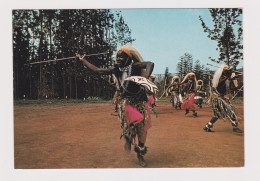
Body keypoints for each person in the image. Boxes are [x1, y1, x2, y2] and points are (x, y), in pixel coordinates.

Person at [77, 45, 156, 167]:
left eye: (121, 57)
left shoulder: (135, 67)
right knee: (132, 122)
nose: (118, 59)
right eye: (117, 57)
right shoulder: (116, 69)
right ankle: (129, 136)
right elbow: (97, 70)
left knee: (142, 130)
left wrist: (145, 78)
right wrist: (83, 60)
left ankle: (140, 154)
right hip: (126, 102)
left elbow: (150, 64)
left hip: (139, 101)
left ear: (128, 59)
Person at [203, 65, 243, 133]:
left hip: (221, 98)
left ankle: (207, 126)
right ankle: (235, 126)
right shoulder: (220, 79)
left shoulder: (226, 78)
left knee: (217, 114)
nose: (228, 71)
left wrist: (237, 75)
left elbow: (232, 81)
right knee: (230, 110)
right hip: (218, 98)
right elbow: (221, 86)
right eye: (226, 70)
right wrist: (229, 77)